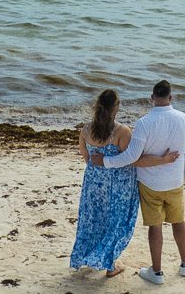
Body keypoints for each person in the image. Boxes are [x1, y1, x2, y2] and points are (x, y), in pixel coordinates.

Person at [68, 89, 178, 278]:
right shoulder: (121, 132)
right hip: (119, 185)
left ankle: (87, 257)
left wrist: (98, 171)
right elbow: (133, 159)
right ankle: (110, 266)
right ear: (116, 108)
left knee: (93, 220)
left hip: (94, 183)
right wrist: (164, 159)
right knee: (117, 223)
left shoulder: (86, 130)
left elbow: (85, 156)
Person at [95, 79, 185, 285]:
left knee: (155, 226)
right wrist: (182, 176)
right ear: (171, 97)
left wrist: (105, 161)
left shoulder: (144, 123)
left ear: (152, 98)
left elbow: (130, 156)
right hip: (174, 181)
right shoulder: (184, 119)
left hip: (150, 183)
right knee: (178, 221)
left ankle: (156, 272)